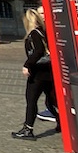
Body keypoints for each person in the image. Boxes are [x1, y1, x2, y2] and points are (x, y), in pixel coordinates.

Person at [12, 9, 59, 141]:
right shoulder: (44, 32)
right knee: (51, 100)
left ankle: (28, 129)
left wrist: (27, 64)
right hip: (48, 70)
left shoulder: (34, 33)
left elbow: (38, 51)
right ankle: (61, 122)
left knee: (31, 100)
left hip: (38, 72)